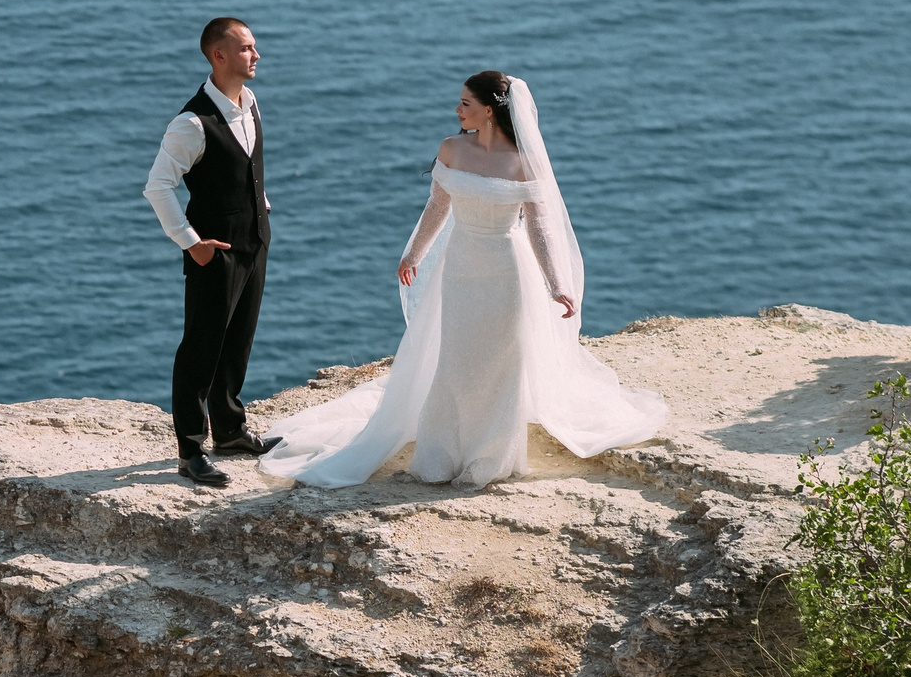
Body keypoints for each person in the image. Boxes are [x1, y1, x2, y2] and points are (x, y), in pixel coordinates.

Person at [260, 71, 666, 487]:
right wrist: (412, 254)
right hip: (459, 266)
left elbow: (539, 228)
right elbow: (438, 206)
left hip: (508, 271)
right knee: (456, 359)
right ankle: (440, 455)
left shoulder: (524, 163)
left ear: (489, 111)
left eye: (465, 104)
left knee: (501, 363)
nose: (457, 110)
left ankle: (489, 458)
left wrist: (556, 283)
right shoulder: (451, 149)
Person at [146, 17, 282, 487]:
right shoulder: (191, 123)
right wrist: (191, 243)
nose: (256, 55)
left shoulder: (250, 101)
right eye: (246, 47)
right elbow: (157, 187)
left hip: (255, 240)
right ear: (219, 56)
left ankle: (229, 430)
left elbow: (248, 167)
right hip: (215, 251)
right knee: (200, 350)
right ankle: (190, 451)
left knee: (238, 340)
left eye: (254, 45)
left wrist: (261, 207)